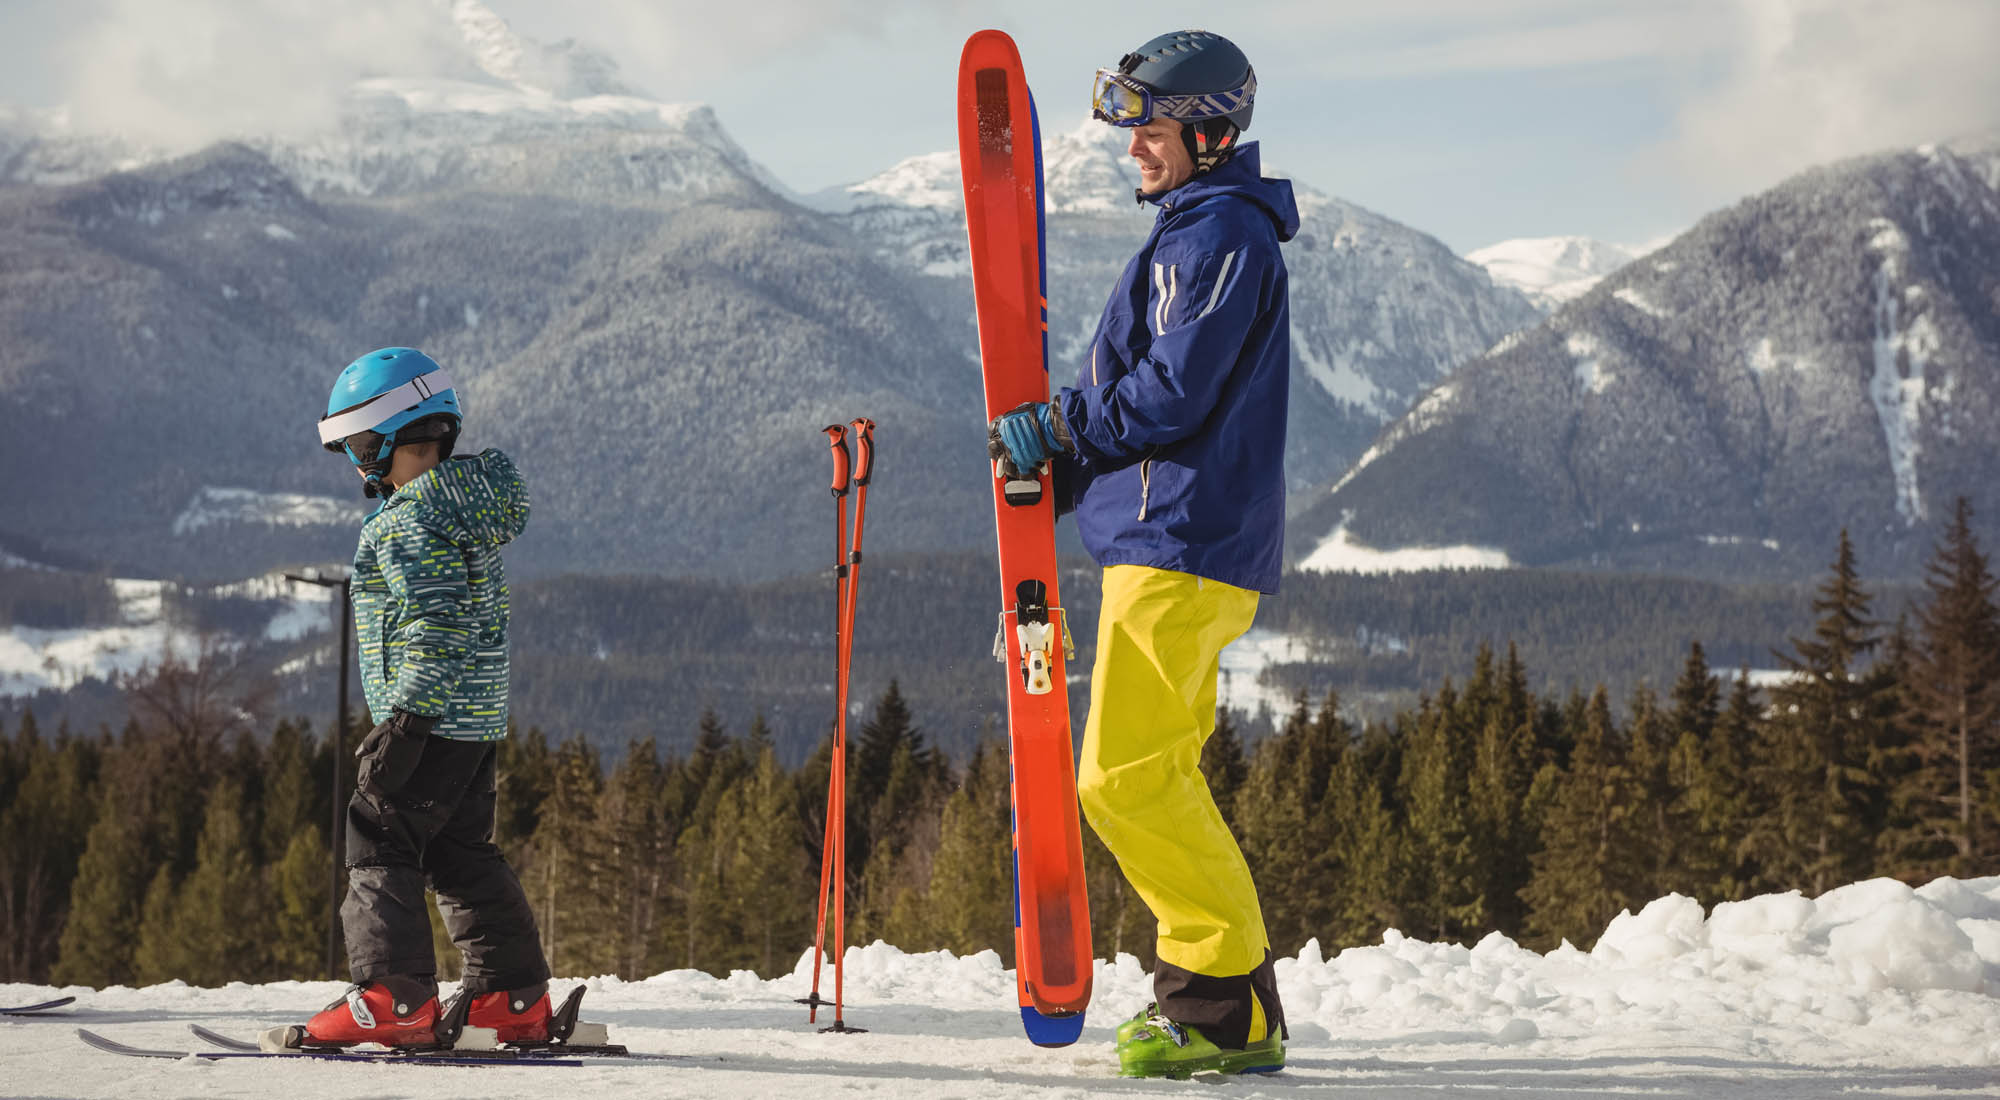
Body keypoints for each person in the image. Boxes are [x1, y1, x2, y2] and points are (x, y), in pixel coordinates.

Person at [988, 29, 1297, 1079]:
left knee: (1122, 779)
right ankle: (1231, 1005)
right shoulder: (1197, 230)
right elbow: (1153, 381)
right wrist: (1065, 444)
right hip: (1171, 539)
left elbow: (1174, 391)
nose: (1132, 148)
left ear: (1207, 132)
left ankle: (1219, 1004)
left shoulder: (1217, 240)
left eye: (1148, 128)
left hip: (1183, 543)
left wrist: (1067, 435)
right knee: (1149, 772)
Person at [302, 347, 551, 1048]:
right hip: (472, 722)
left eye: (356, 446)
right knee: (461, 852)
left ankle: (394, 997)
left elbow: (436, 624)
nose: (355, 464)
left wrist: (407, 720)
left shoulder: (410, 521)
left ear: (389, 439)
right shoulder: (463, 505)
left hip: (431, 719)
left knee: (379, 833)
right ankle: (510, 995)